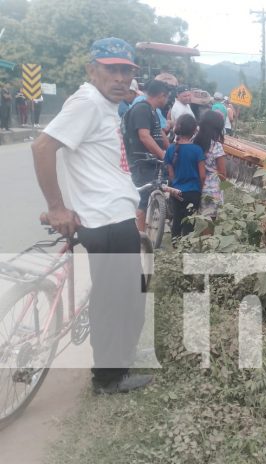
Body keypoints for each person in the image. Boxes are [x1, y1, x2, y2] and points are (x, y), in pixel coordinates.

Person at [31, 37, 151, 394]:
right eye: (111, 69)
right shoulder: (87, 102)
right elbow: (41, 147)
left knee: (123, 295)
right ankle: (109, 378)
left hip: (112, 215)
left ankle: (118, 360)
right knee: (119, 300)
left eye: (125, 71)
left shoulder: (101, 103)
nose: (119, 78)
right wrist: (55, 207)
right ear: (92, 69)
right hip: (107, 221)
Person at [122, 79, 170, 232]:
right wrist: (162, 154)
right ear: (162, 95)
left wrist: (170, 150)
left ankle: (142, 235)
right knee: (141, 201)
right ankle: (139, 238)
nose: (167, 100)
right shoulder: (142, 109)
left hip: (150, 161)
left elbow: (159, 133)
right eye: (167, 97)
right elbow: (144, 136)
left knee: (146, 198)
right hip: (141, 161)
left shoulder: (152, 111)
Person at [165, 114, 205, 238]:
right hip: (193, 192)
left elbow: (171, 175)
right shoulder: (197, 150)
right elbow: (202, 175)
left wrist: (176, 184)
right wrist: (201, 189)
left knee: (177, 219)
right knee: (189, 223)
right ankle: (186, 249)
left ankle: (176, 247)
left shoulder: (170, 149)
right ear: (194, 131)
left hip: (176, 192)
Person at [193, 110, 227, 219]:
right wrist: (224, 188)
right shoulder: (216, 146)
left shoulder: (193, 142)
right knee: (208, 229)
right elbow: (222, 174)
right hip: (212, 192)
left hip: (195, 186)